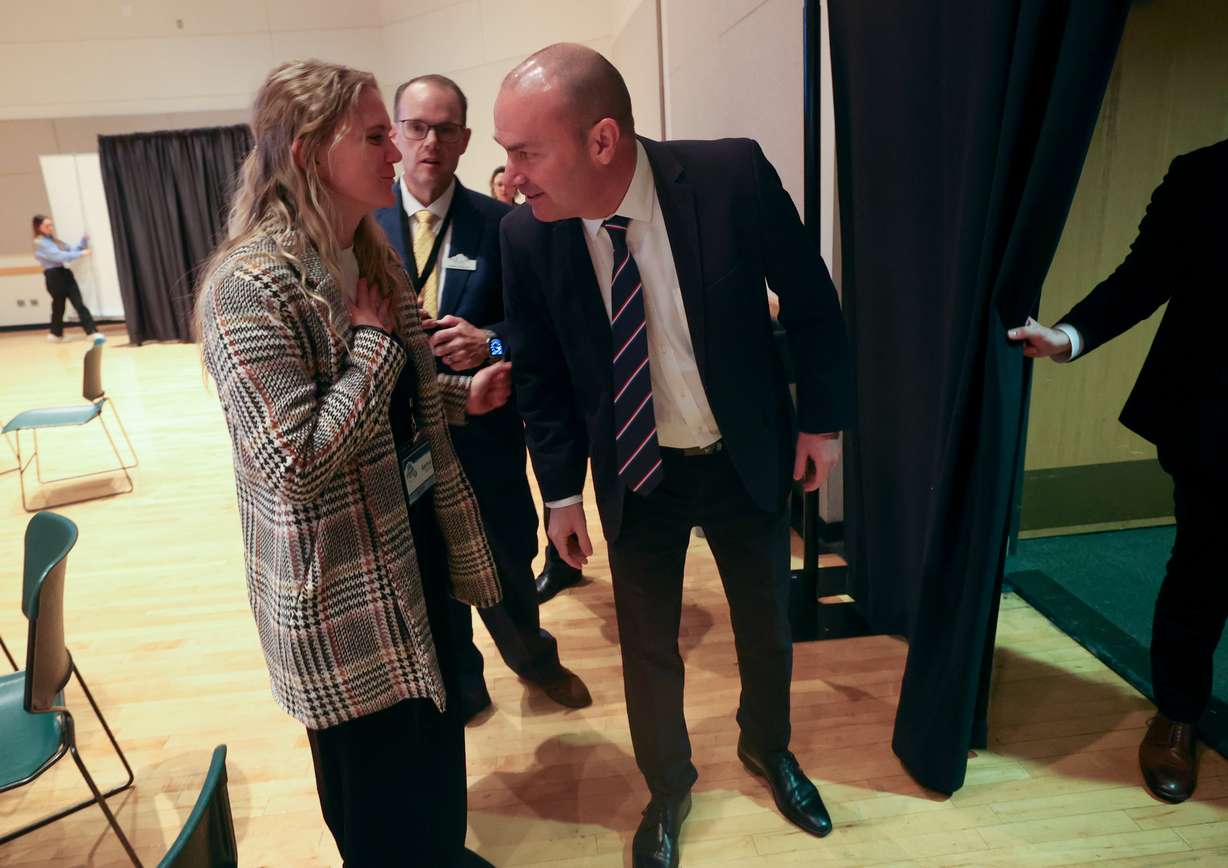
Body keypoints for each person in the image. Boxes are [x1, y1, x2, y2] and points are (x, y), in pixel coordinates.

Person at [496, 44, 854, 868]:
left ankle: (770, 747)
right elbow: (543, 379)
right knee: (647, 644)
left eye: (525, 152)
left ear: (601, 141)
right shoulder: (529, 235)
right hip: (636, 469)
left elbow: (810, 300)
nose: (510, 177)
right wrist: (559, 494)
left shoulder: (729, 177)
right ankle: (668, 784)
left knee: (766, 624)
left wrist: (821, 423)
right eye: (505, 154)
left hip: (744, 454)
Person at [195, 59, 510, 866]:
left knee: (437, 741)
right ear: (307, 152)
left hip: (414, 545)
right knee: (375, 798)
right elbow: (294, 461)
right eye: (376, 136)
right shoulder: (249, 286)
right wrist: (372, 348)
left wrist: (453, 398)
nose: (399, 154)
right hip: (340, 590)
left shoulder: (367, 252)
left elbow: (393, 413)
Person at [1008, 138, 1227, 806]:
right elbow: (1147, 273)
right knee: (1202, 569)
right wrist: (1069, 336)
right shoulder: (1204, 174)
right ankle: (1178, 715)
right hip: (1217, 419)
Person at [375, 73, 591, 722]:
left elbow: (549, 332)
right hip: (401, 441)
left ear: (467, 138)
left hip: (487, 439)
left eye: (445, 128)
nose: (430, 141)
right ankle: (463, 681)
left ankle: (534, 660)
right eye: (417, 126)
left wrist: (492, 345)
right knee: (428, 572)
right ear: (396, 133)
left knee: (506, 565)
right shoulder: (360, 225)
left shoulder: (508, 225)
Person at [31, 215, 104, 344]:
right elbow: (58, 256)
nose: (50, 228)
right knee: (59, 306)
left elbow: (70, 250)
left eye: (51, 225)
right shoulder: (40, 242)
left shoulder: (54, 241)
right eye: (47, 226)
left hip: (64, 273)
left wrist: (83, 243)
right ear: (39, 227)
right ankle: (55, 334)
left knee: (78, 303)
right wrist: (81, 253)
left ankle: (91, 332)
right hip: (53, 275)